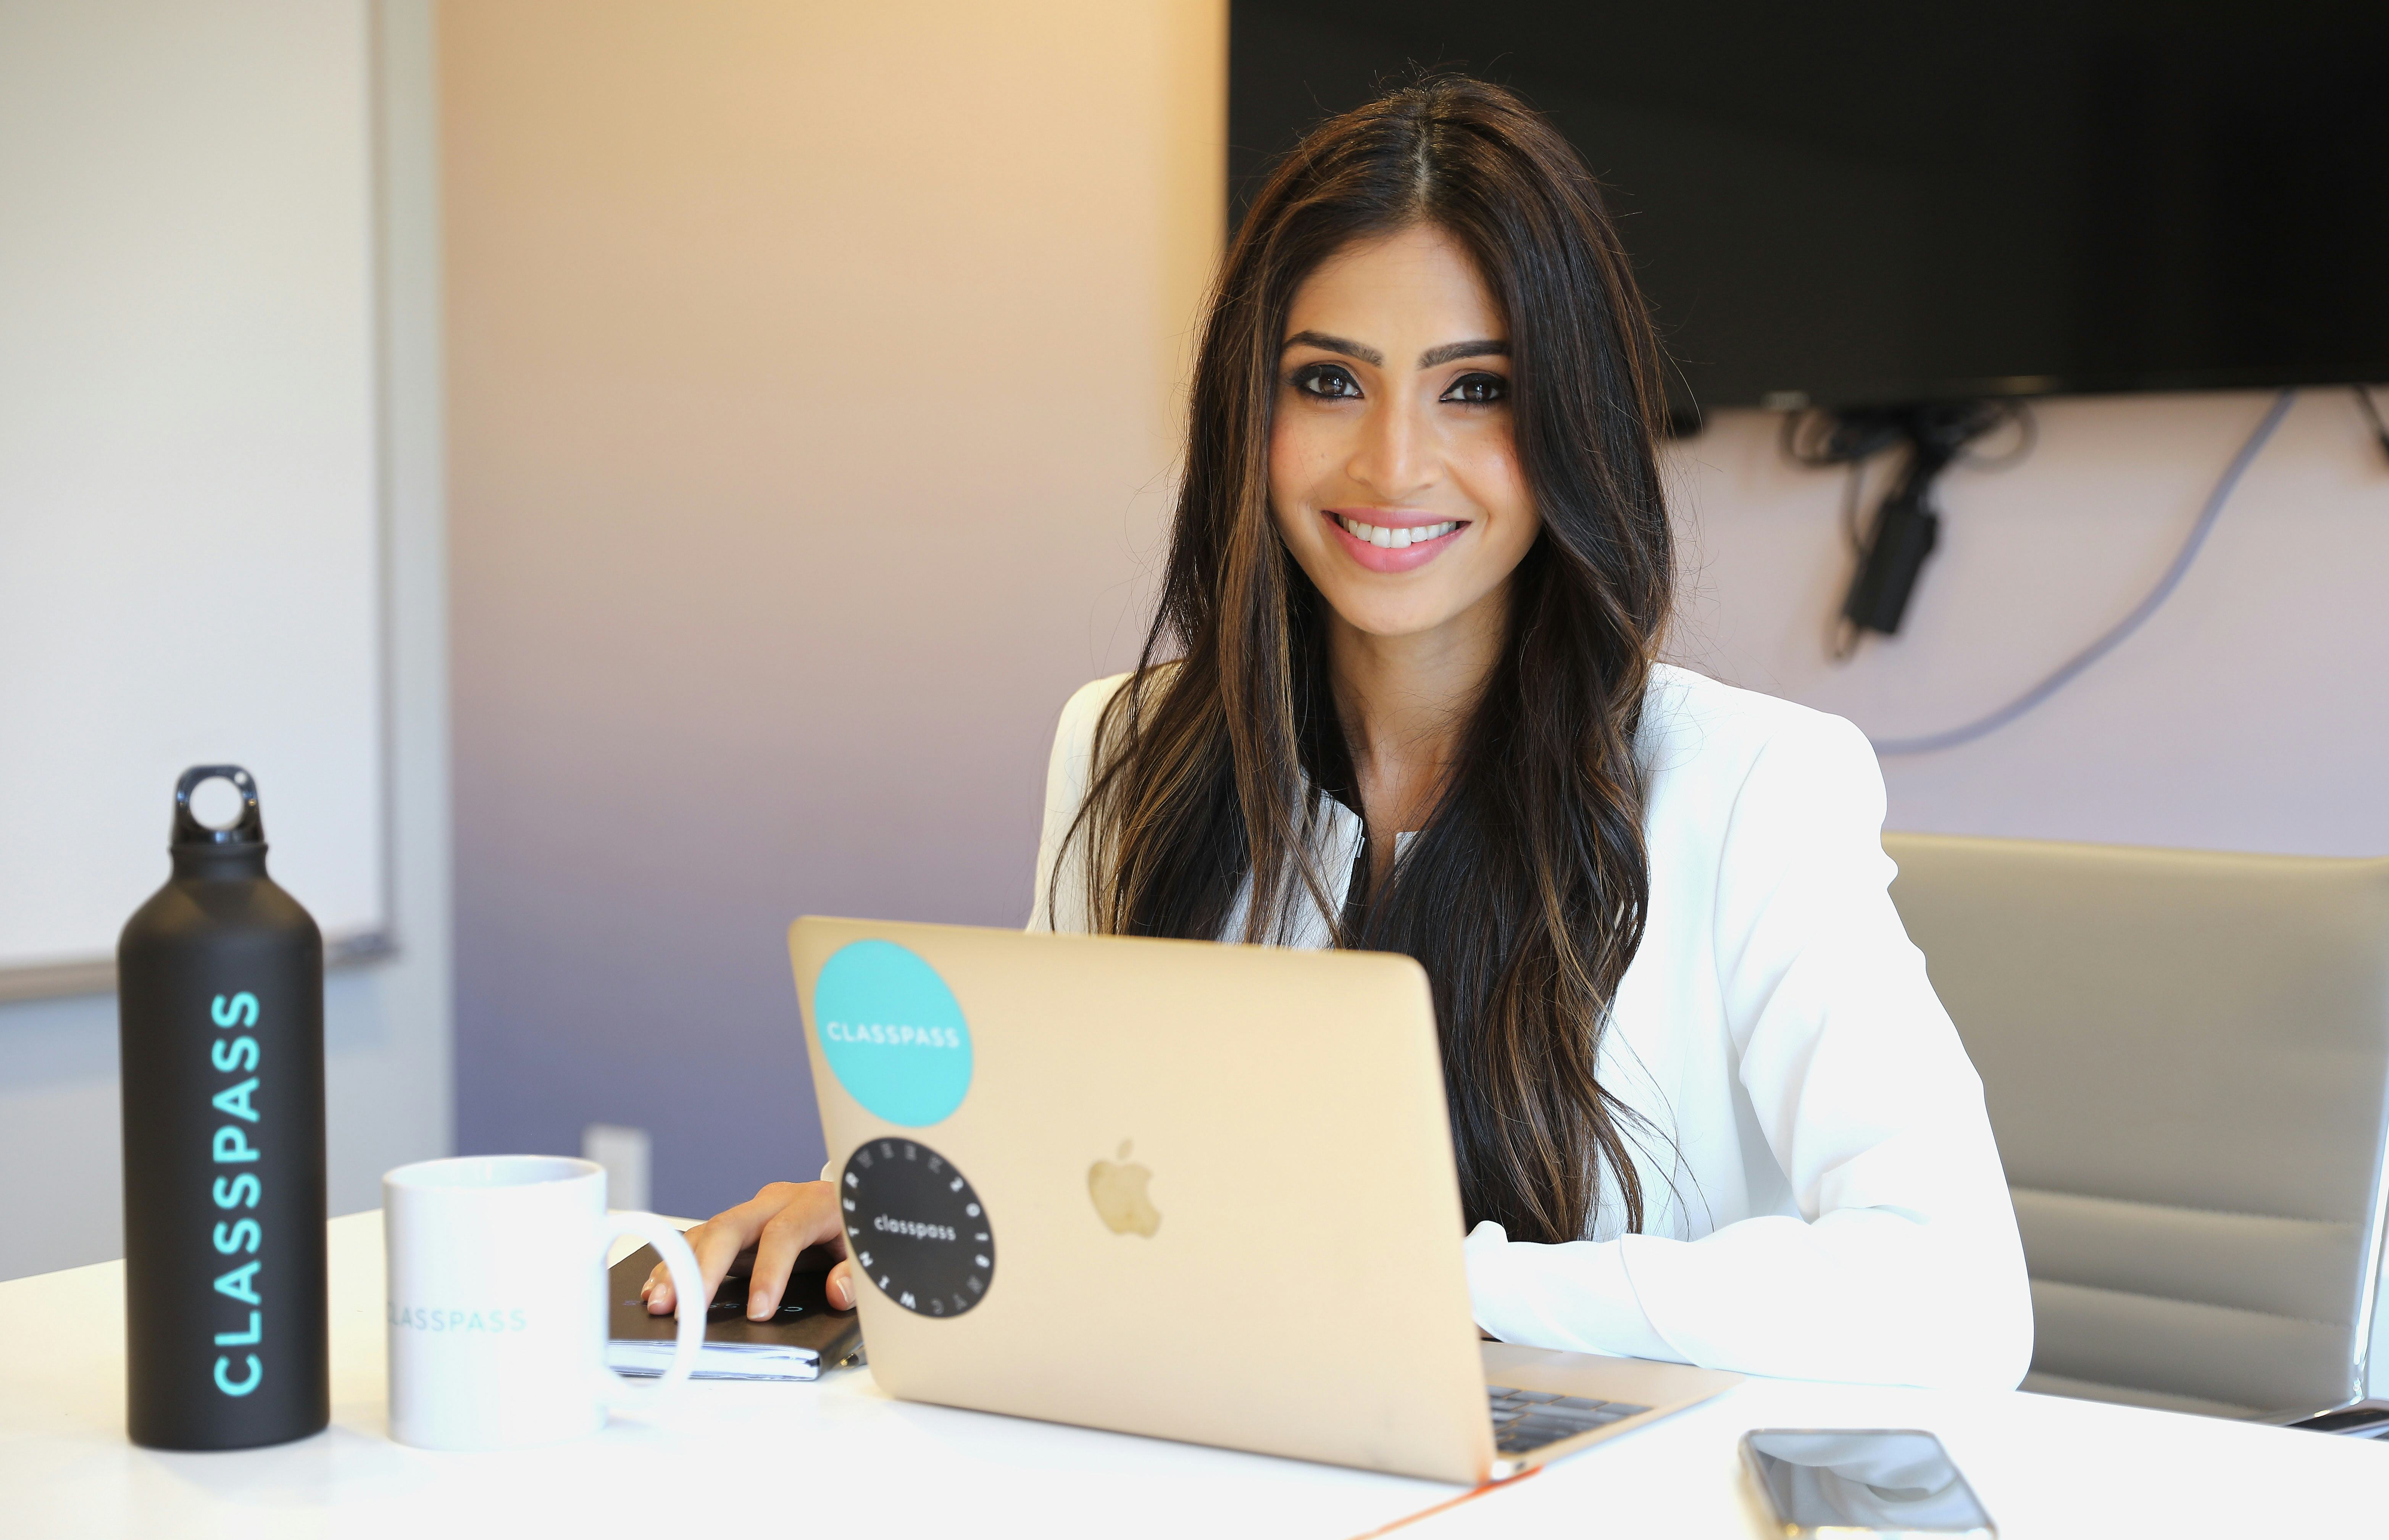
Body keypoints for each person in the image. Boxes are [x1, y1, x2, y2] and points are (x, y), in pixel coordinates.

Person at [650, 77, 2034, 1388]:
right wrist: (898, 1207)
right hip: (1216, 1465)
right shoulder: (1126, 750)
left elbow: (1959, 1300)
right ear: (1248, 409)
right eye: (1328, 382)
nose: (1392, 464)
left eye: (1475, 389)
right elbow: (1080, 1166)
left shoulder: (1752, 786)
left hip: (1599, 1505)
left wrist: (1425, 1282)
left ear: (1575, 417)